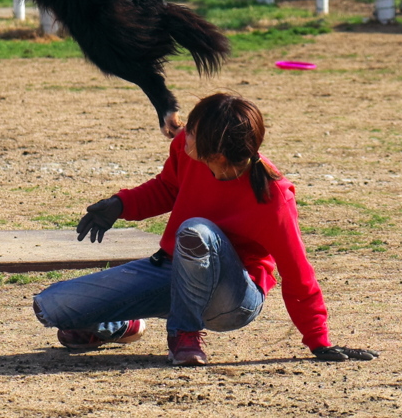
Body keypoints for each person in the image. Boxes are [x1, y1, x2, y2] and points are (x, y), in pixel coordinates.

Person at [32, 92, 379, 367]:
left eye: (194, 130)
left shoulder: (273, 197)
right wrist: (121, 204)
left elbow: (298, 273)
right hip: (174, 272)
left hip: (232, 300)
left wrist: (319, 342)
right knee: (51, 306)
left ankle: (185, 333)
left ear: (219, 153)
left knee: (195, 232)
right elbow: (168, 188)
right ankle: (122, 325)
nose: (184, 132)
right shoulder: (188, 152)